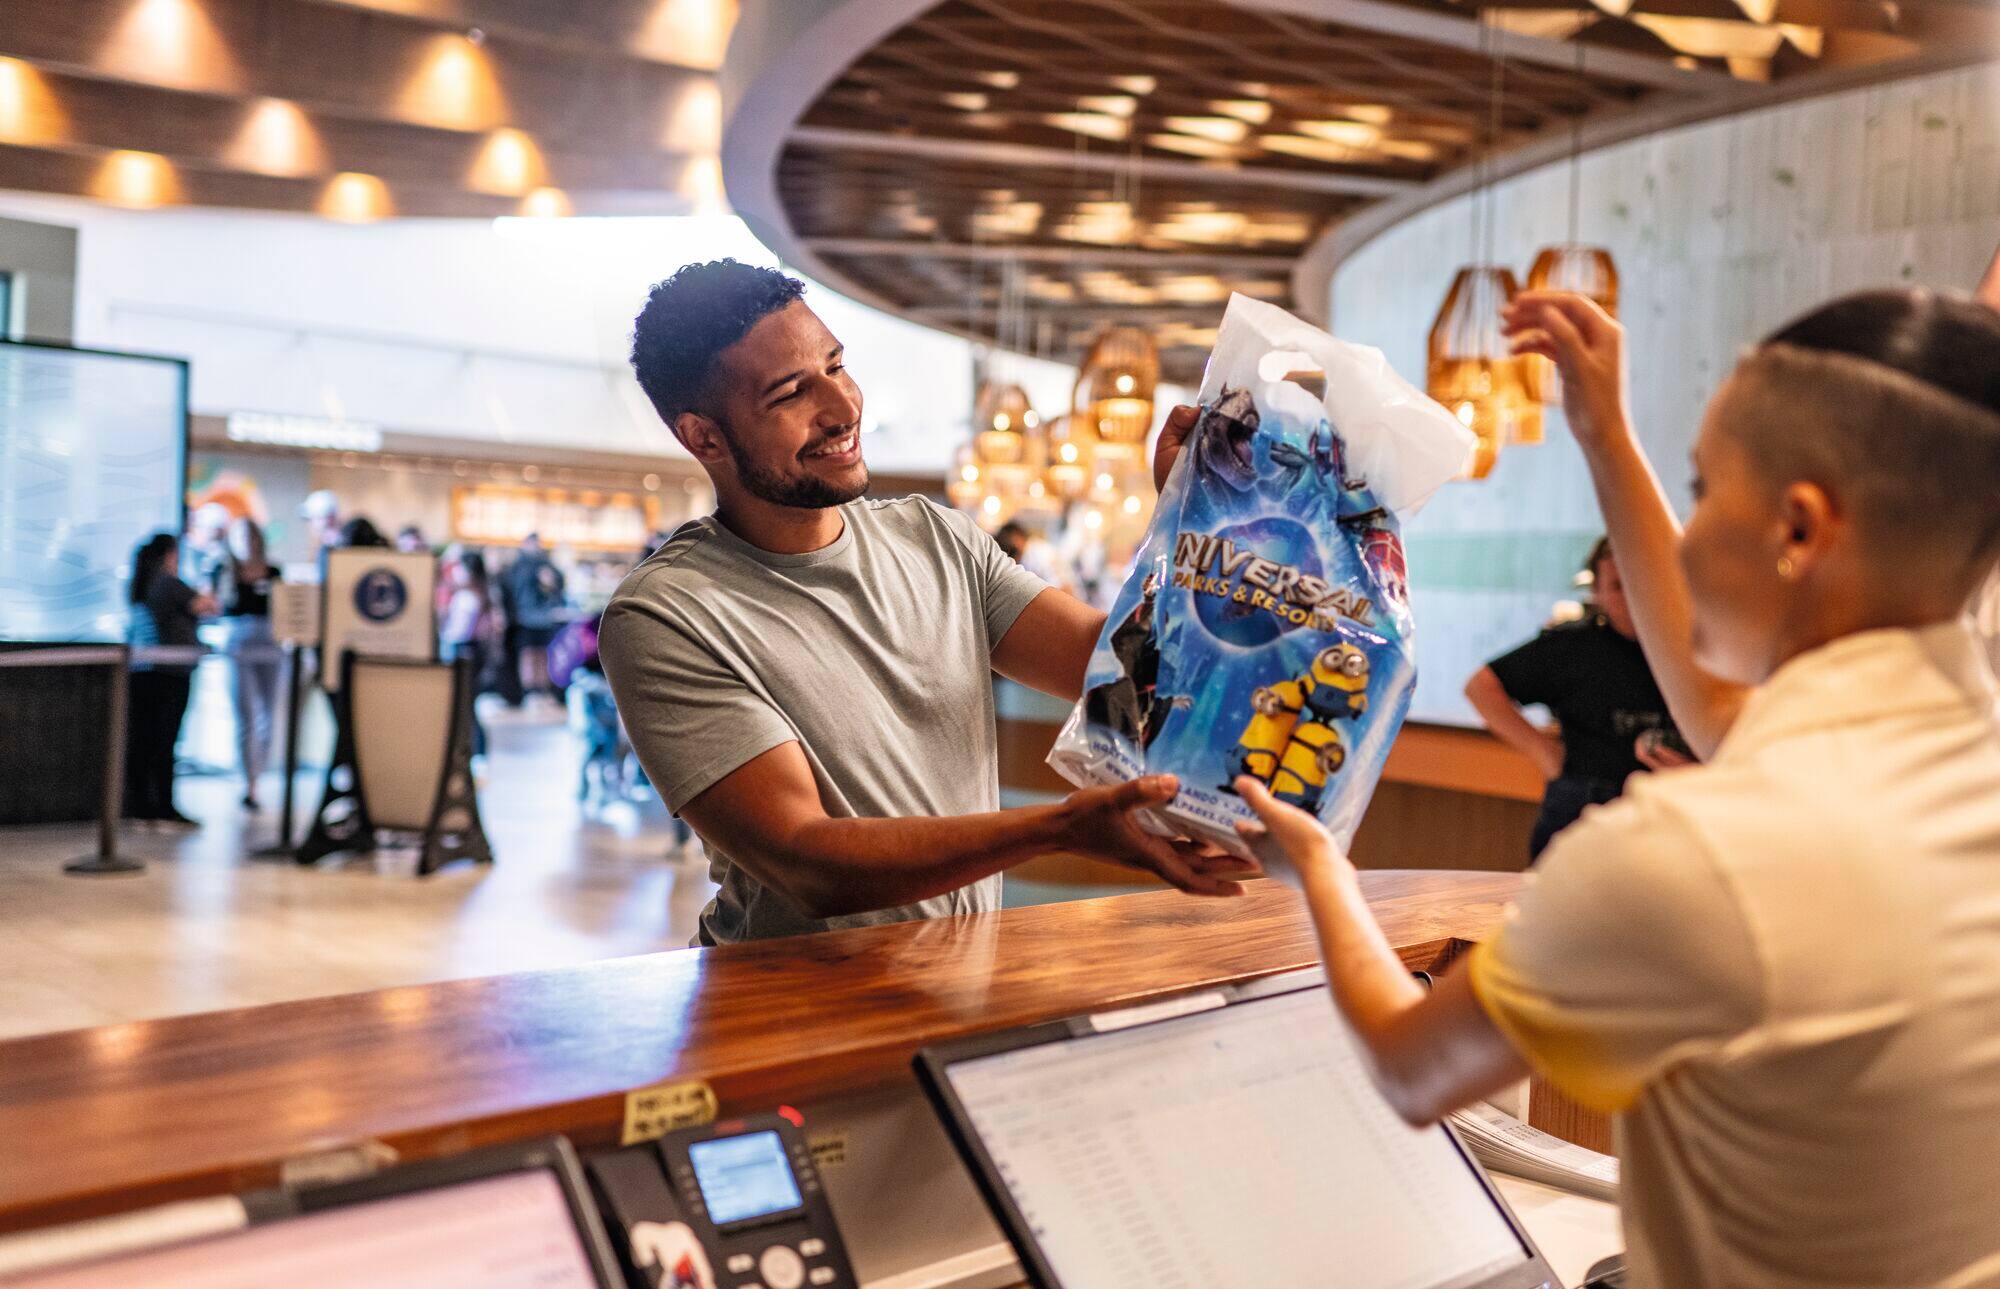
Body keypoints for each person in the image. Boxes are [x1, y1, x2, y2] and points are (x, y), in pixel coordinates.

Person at [1235, 287, 2000, 1288]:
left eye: (1703, 488)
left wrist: (1317, 860)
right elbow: (1720, 707)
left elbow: (1409, 1064)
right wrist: (1600, 431)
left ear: (1800, 531)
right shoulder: (1944, 755)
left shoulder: (1701, 848)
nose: (1681, 542)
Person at [600, 260, 1248, 946]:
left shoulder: (934, 537)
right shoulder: (666, 614)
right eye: (791, 392)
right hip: (785, 1017)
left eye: (836, 365)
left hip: (955, 988)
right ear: (704, 437)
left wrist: (1198, 517)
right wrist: (1059, 827)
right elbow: (806, 858)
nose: (844, 407)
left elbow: (1126, 667)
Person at [1464, 537, 1691, 859]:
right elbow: (1480, 687)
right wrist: (1543, 751)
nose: (1633, 596)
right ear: (1596, 592)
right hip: (1584, 802)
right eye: (1617, 586)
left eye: (1642, 580)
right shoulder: (1573, 645)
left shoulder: (1698, 643)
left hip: (1673, 805)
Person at [124, 532, 217, 827]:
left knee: (145, 740)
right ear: (171, 554)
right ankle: (162, 806)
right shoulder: (168, 583)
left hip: (143, 670)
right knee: (164, 742)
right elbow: (209, 606)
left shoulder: (141, 582)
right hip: (169, 672)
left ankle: (143, 805)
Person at [209, 518, 282, 810]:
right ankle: (248, 779)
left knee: (267, 715)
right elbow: (214, 605)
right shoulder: (223, 571)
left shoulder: (274, 572)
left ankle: (259, 775)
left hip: (270, 645)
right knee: (246, 715)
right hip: (238, 645)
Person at [439, 550, 500, 759]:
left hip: (464, 651)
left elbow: (459, 631)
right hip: (473, 652)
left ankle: (475, 750)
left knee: (465, 704)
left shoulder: (469, 597)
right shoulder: (482, 593)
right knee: (468, 704)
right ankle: (476, 749)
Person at [503, 533, 566, 701]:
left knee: (543, 655)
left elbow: (558, 584)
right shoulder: (518, 566)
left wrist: (552, 582)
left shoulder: (546, 564)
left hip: (545, 618)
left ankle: (543, 690)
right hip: (524, 618)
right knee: (528, 655)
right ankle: (530, 691)